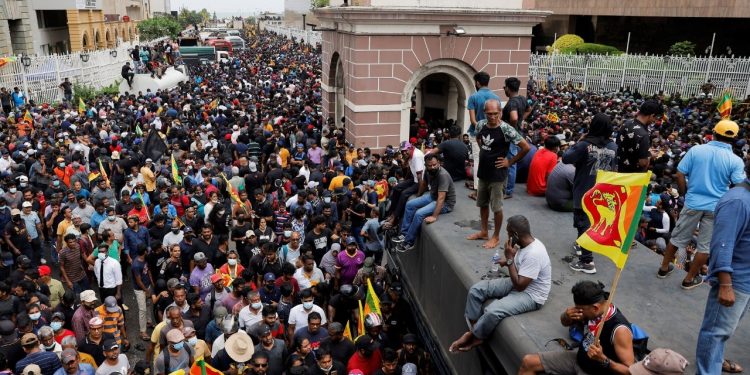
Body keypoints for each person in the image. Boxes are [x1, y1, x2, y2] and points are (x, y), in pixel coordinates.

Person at [657, 119, 746, 289]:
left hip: (693, 202)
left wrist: (685, 193)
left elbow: (680, 174)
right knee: (704, 247)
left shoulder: (696, 150)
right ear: (734, 139)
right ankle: (689, 279)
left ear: (713, 133)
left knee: (677, 238)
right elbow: (738, 185)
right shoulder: (735, 161)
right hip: (716, 208)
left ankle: (663, 268)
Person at [450, 215, 550, 352]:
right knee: (476, 290)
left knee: (492, 311)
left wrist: (509, 260)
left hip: (531, 294)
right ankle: (475, 329)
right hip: (518, 281)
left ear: (515, 234)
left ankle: (476, 337)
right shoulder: (524, 244)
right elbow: (520, 265)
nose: (507, 236)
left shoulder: (534, 253)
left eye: (509, 233)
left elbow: (520, 286)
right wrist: (509, 259)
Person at [695, 168, 750, 375]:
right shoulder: (738, 200)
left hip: (745, 279)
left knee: (724, 331)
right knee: (716, 333)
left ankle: (714, 363)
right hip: (735, 281)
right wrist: (726, 284)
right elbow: (722, 245)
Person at [518, 281, 635, 375]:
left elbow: (630, 371)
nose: (578, 311)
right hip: (579, 359)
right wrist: (566, 316)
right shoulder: (592, 311)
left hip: (598, 371)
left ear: (595, 308)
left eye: (580, 309)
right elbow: (565, 322)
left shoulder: (620, 330)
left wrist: (603, 359)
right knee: (528, 362)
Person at [466, 99, 530, 249]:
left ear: (500, 112)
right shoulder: (481, 124)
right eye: (489, 114)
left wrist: (510, 161)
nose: (493, 117)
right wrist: (484, 151)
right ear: (484, 113)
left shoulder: (506, 129)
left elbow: (525, 147)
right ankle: (483, 231)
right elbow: (478, 137)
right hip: (483, 172)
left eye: (495, 113)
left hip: (498, 175)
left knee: (496, 207)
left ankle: (495, 236)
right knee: (482, 203)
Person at [562, 113, 617, 274]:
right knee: (593, 221)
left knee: (582, 223)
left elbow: (566, 158)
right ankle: (584, 244)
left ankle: (587, 262)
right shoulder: (613, 147)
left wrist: (580, 140)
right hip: (602, 192)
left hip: (584, 191)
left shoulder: (584, 145)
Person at [392, 154, 455, 251]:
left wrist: (434, 216)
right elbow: (424, 184)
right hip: (433, 196)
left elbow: (442, 198)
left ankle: (409, 242)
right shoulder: (428, 171)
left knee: (419, 214)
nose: (432, 167)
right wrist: (418, 197)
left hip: (445, 203)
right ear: (426, 165)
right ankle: (404, 234)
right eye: (430, 165)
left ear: (438, 163)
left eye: (434, 164)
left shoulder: (443, 175)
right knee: (410, 204)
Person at [467, 71, 502, 196]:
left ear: (477, 82)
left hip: (477, 133)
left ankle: (478, 188)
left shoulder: (473, 97)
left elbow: (473, 120)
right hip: (493, 133)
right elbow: (499, 119)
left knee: (478, 160)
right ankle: (489, 185)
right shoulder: (496, 98)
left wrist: (481, 131)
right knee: (491, 159)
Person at [501, 77, 530, 199]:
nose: (504, 89)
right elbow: (529, 109)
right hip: (517, 133)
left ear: (508, 88)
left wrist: (510, 129)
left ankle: (508, 191)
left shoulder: (512, 102)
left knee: (511, 162)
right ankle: (507, 188)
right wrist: (521, 120)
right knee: (510, 160)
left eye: (504, 87)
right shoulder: (522, 99)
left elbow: (513, 117)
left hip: (511, 136)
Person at [616, 100, 662, 173]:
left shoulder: (626, 123)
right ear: (652, 115)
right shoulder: (643, 135)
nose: (655, 121)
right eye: (655, 118)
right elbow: (643, 163)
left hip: (617, 169)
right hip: (631, 176)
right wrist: (650, 156)